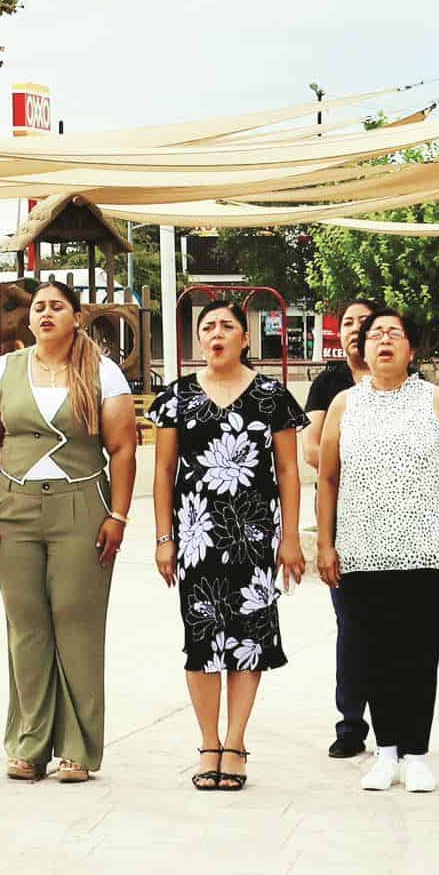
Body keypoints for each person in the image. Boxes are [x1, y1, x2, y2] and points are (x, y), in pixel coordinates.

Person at [0, 279, 135, 782]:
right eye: (38, 307)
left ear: (76, 316)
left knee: (77, 624)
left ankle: (78, 749)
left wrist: (119, 515)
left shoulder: (102, 372)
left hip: (82, 504)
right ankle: (29, 742)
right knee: (26, 625)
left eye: (57, 306)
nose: (45, 314)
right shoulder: (5, 369)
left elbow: (123, 448)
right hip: (14, 505)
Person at [146, 296, 306, 792]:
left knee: (250, 640)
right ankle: (208, 743)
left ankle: (235, 742)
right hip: (196, 539)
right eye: (208, 327)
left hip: (256, 540)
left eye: (226, 326)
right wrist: (163, 539)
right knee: (202, 641)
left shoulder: (271, 397)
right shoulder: (177, 398)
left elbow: (288, 472)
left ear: (244, 337)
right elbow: (163, 476)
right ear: (200, 339)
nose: (216, 333)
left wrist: (291, 538)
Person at [312, 303, 439, 792]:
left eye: (394, 334)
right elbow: (329, 477)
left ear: (412, 347)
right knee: (373, 653)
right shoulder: (345, 404)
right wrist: (325, 543)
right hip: (362, 550)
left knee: (418, 653)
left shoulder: (436, 401)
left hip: (424, 549)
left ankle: (417, 752)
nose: (383, 341)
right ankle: (386, 751)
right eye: (375, 334)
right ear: (361, 347)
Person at [305, 294, 376, 758]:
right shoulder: (328, 384)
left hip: (397, 515)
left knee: (395, 626)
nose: (355, 328)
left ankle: (397, 721)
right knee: (350, 624)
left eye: (365, 321)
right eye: (347, 321)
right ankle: (350, 723)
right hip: (342, 512)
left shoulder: (409, 383)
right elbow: (311, 448)